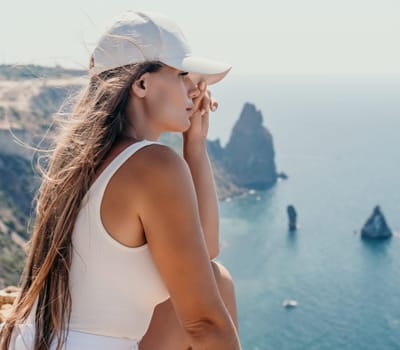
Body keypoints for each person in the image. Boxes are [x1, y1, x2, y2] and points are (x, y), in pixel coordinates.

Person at [0, 10, 241, 350]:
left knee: (216, 281)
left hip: (38, 342)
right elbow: (205, 324)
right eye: (182, 74)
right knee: (214, 294)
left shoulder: (78, 158)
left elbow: (204, 252)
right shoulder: (154, 165)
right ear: (142, 84)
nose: (193, 89)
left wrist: (195, 148)